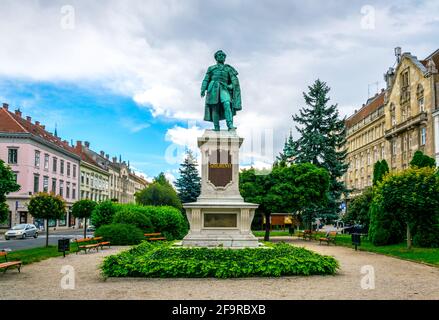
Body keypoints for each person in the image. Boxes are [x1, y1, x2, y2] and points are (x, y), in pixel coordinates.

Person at [200, 50, 242, 131]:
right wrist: (203, 89)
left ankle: (230, 125)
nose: (221, 56)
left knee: (227, 104)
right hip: (213, 88)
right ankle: (216, 127)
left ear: (225, 58)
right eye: (219, 55)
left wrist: (230, 86)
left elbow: (234, 81)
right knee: (215, 107)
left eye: (223, 55)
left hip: (224, 88)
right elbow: (206, 80)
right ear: (216, 57)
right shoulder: (211, 68)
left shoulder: (228, 69)